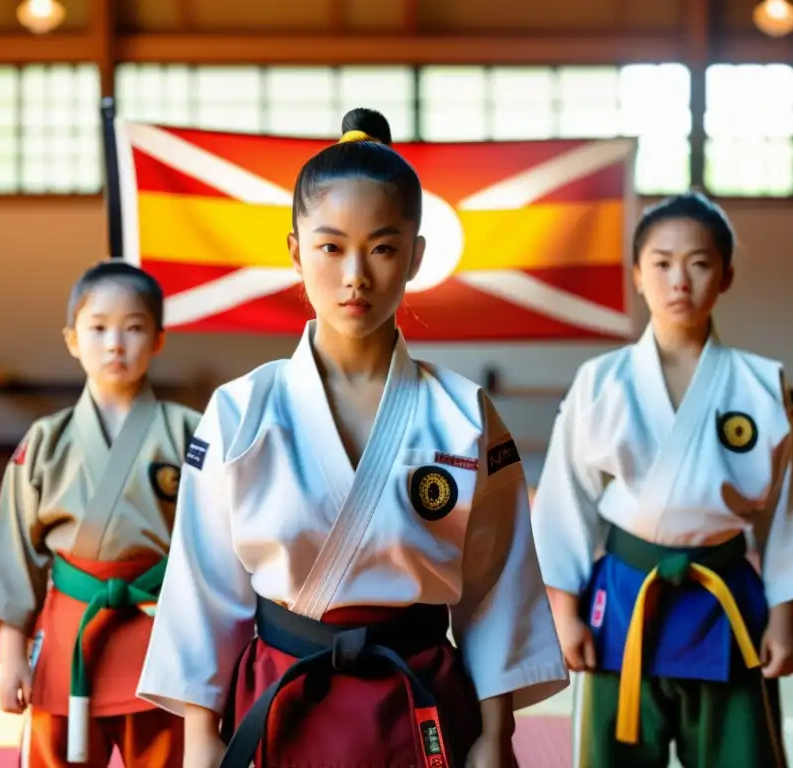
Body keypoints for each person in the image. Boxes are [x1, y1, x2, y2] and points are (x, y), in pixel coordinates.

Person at [135, 107, 569, 768]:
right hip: (284, 703)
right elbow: (202, 587)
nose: (355, 275)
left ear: (417, 256)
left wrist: (493, 735)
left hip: (420, 703)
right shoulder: (241, 411)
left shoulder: (463, 415)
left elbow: (498, 589)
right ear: (295, 250)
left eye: (384, 247)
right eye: (331, 246)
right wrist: (200, 736)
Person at [531, 191, 793, 768]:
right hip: (626, 599)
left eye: (700, 263)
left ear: (726, 276)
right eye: (661, 262)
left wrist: (785, 617)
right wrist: (564, 609)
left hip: (724, 599)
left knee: (740, 754)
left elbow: (791, 506)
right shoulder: (601, 380)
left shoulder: (761, 384)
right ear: (637, 274)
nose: (680, 280)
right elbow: (565, 497)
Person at [0, 261, 202, 767]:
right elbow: (15, 556)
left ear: (159, 339)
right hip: (70, 631)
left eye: (134, 327)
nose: (115, 343)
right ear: (72, 339)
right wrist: (11, 659)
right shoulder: (45, 441)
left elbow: (217, 546)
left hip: (158, 634)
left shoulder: (193, 432)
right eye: (98, 328)